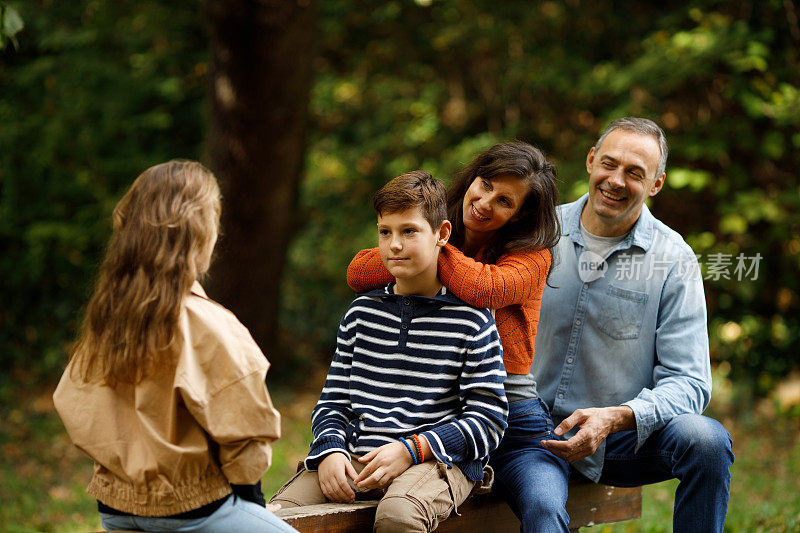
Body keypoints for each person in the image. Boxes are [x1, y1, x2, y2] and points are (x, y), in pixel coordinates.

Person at [53, 160, 297, 532]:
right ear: (202, 233)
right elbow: (245, 426)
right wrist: (250, 501)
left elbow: (74, 403)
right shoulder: (204, 323)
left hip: (116, 509)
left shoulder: (108, 318)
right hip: (194, 512)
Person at [525, 117, 734, 532]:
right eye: (609, 164)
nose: (616, 181)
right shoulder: (538, 232)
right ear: (590, 161)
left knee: (707, 442)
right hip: (529, 432)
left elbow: (690, 382)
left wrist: (617, 417)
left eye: (635, 173)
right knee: (541, 506)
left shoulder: (673, 259)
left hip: (618, 441)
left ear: (656, 184)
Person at [270, 171, 509, 532]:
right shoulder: (361, 313)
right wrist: (332, 449)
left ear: (442, 234)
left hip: (436, 462)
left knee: (398, 515)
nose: (394, 245)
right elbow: (333, 403)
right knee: (277, 517)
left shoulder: (472, 320)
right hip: (359, 454)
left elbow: (489, 421)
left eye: (409, 231)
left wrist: (413, 449)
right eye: (385, 232)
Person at [345, 142, 568, 527]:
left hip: (512, 418)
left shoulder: (533, 255)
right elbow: (359, 272)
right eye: (484, 184)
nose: (484, 202)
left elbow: (487, 289)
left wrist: (428, 247)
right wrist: (420, 241)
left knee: (544, 506)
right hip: (433, 413)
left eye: (504, 201)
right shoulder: (432, 227)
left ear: (520, 215)